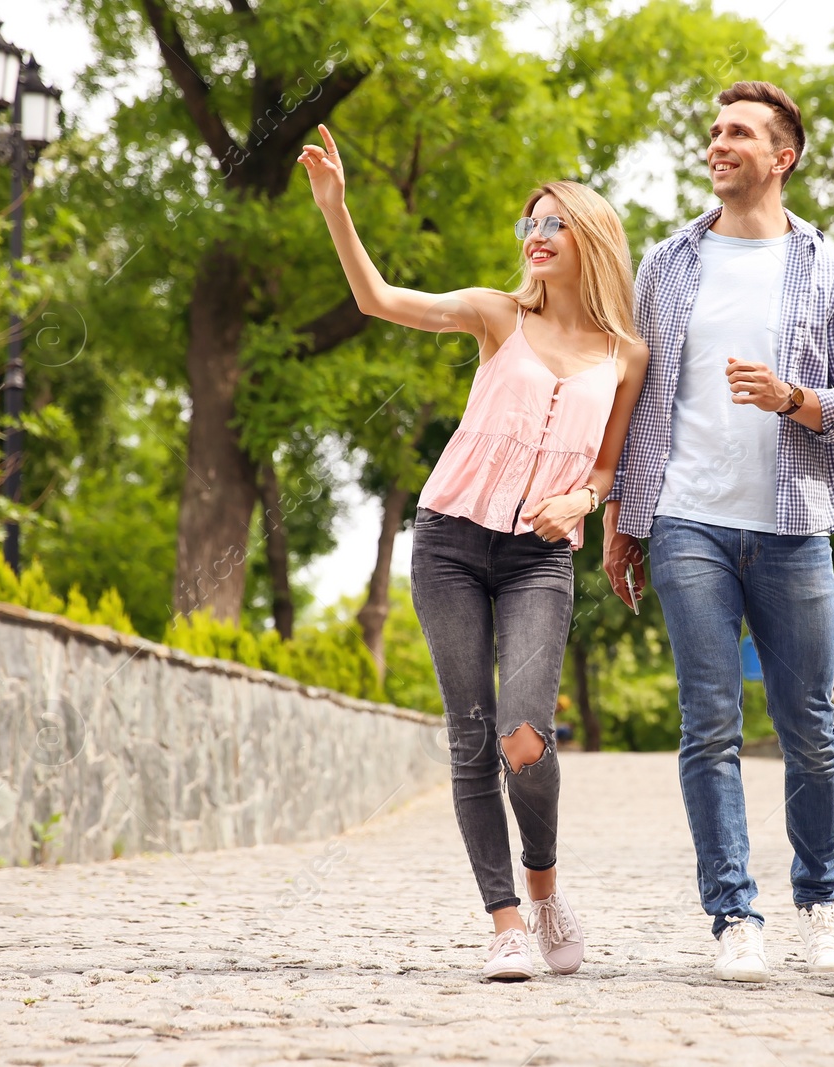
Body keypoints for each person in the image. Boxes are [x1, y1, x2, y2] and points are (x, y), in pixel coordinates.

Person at [300, 126, 650, 981]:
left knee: (524, 735)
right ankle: (504, 923)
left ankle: (544, 885)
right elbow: (380, 298)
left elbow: (608, 467)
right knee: (469, 735)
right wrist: (337, 212)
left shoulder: (626, 354)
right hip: (451, 540)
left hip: (540, 556)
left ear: (591, 239)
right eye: (529, 223)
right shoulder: (498, 315)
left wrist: (585, 499)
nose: (534, 235)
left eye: (553, 224)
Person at [601, 81, 834, 982]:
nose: (718, 143)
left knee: (810, 728)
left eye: (739, 133)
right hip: (689, 521)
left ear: (781, 155)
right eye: (714, 130)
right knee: (709, 723)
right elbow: (640, 401)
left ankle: (820, 903)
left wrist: (794, 399)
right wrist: (622, 518)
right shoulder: (668, 265)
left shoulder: (830, 271)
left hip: (795, 526)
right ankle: (733, 917)